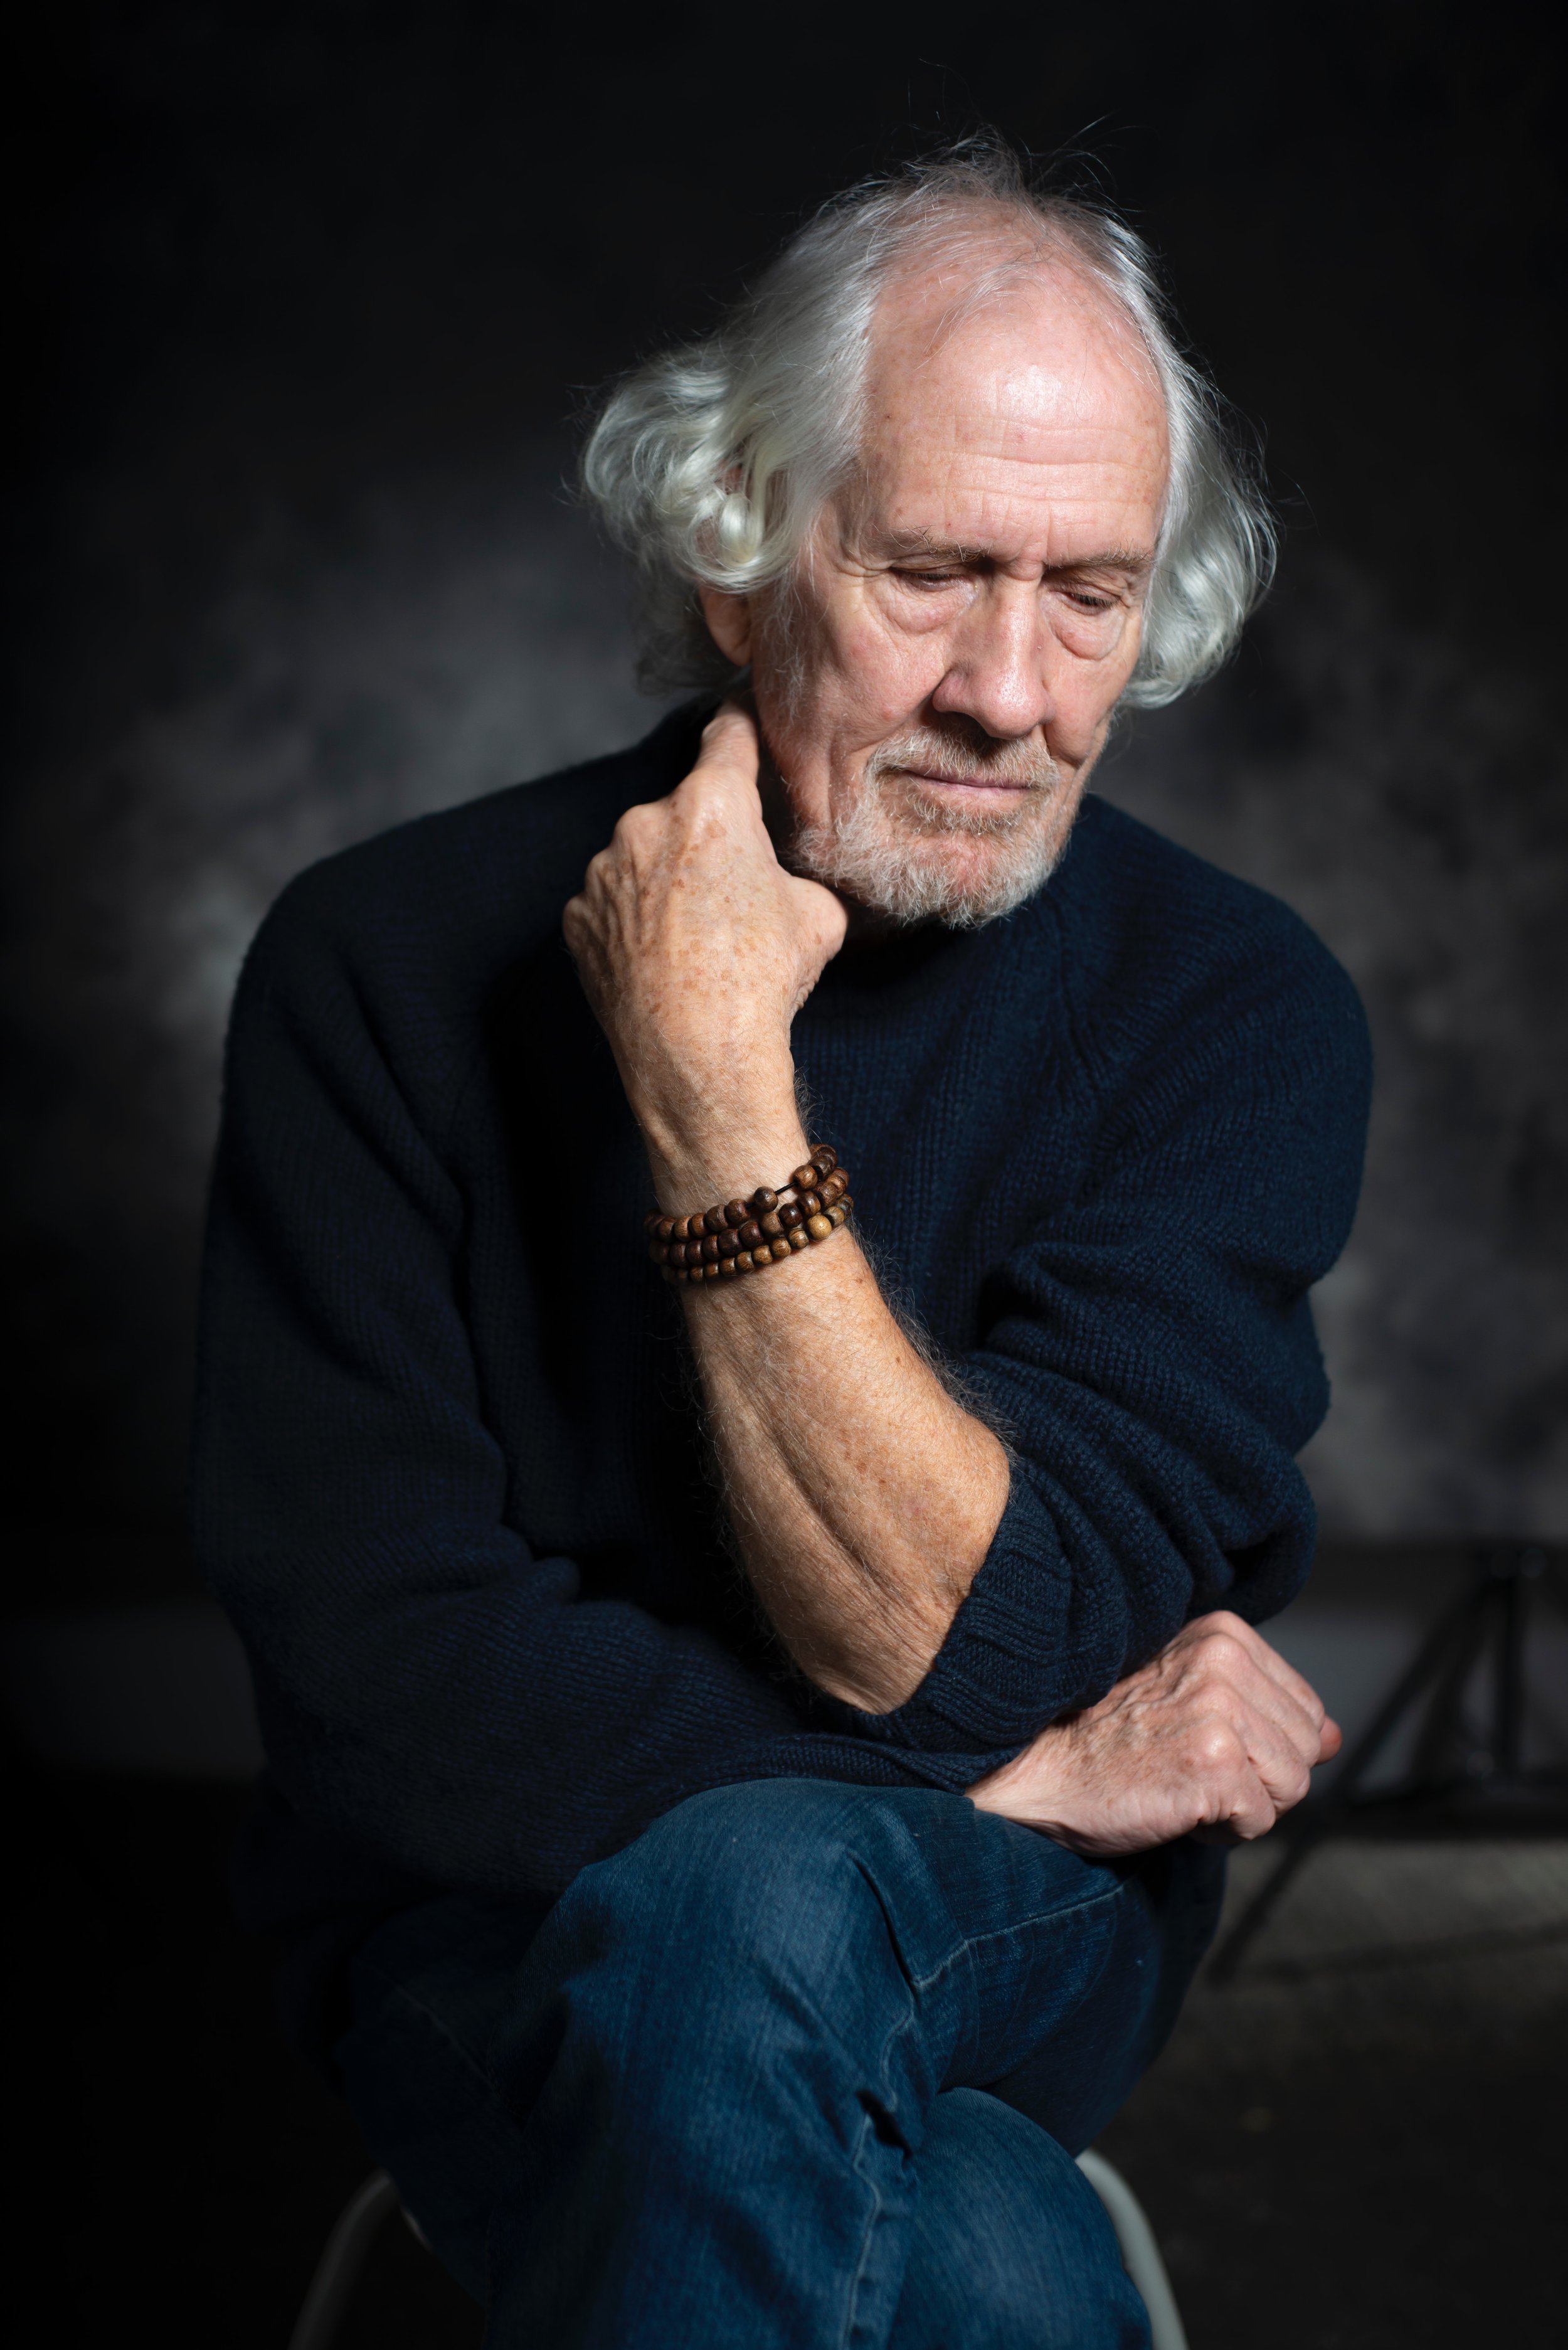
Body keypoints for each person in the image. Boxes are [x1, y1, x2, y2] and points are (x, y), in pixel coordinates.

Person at [195, 142, 1370, 2347]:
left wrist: (715, 1089)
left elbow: (975, 1638)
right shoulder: (379, 962)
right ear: (736, 555)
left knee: (748, 1893)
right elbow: (384, 1685)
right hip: (479, 1922)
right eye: (931, 571)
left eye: (1090, 595)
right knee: (978, 2259)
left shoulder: (1237, 1011)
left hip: (1012, 1918)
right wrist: (1023, 1770)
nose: (1011, 691)